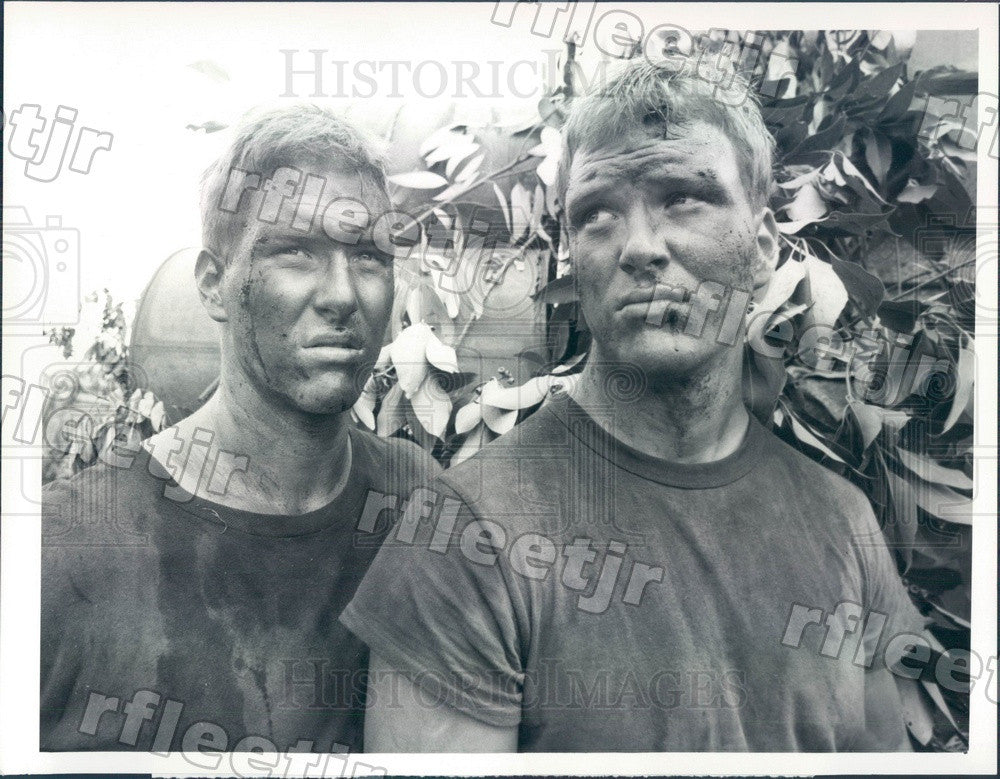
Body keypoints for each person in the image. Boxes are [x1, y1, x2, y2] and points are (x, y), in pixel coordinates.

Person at [339, 58, 929, 752]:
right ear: (573, 258)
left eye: (684, 197)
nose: (640, 247)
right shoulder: (469, 536)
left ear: (765, 246)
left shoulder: (843, 521)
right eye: (598, 213)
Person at [40, 105, 438, 752]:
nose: (342, 294)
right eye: (295, 253)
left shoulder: (422, 503)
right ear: (214, 285)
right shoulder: (63, 551)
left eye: (368, 256)